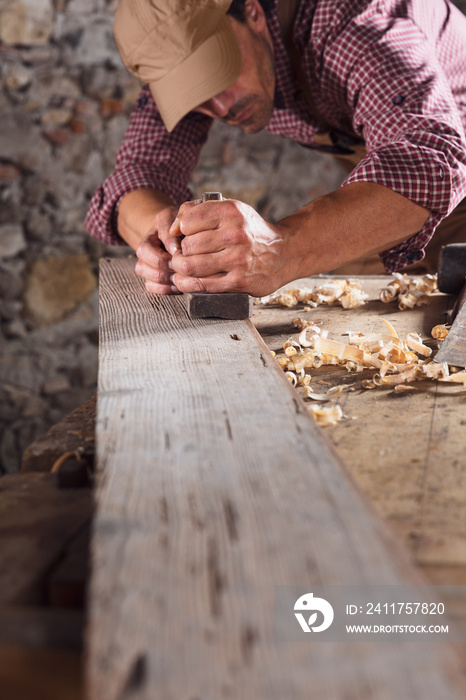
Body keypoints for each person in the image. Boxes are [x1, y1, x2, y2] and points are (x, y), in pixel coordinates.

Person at [85, 0, 466, 298]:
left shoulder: (354, 21)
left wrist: (279, 249)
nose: (220, 109)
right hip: (406, 185)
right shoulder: (177, 62)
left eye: (219, 73)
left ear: (252, 12)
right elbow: (135, 177)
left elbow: (428, 160)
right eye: (195, 94)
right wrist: (165, 242)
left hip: (437, 165)